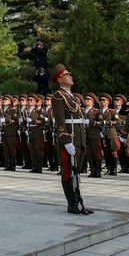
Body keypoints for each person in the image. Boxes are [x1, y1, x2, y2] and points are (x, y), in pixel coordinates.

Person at [50, 65, 91, 214]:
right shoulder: (58, 96)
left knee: (77, 172)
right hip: (70, 139)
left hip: (79, 138)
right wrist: (66, 141)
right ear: (60, 79)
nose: (71, 76)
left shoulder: (71, 96)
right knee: (68, 171)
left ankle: (79, 202)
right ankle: (72, 204)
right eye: (67, 75)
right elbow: (60, 122)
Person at [82, 93, 103, 178]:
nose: (86, 101)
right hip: (84, 135)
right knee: (89, 154)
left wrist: (90, 123)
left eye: (89, 99)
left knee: (96, 154)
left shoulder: (97, 111)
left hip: (94, 135)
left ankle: (98, 171)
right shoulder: (81, 111)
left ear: (93, 102)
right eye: (85, 99)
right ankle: (92, 170)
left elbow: (101, 123)